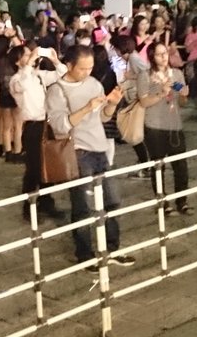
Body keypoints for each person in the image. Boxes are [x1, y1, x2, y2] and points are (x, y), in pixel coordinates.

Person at [46, 45, 135, 270]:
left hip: (99, 148)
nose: (87, 72)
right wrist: (86, 108)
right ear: (69, 65)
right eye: (82, 69)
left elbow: (103, 117)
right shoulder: (57, 90)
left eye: (90, 68)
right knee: (82, 207)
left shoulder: (94, 83)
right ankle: (85, 255)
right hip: (77, 152)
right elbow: (60, 126)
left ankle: (112, 248)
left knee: (112, 201)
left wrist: (112, 104)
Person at [135, 42, 192, 214]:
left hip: (174, 125)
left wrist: (184, 95)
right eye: (159, 54)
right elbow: (144, 101)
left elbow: (182, 102)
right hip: (154, 126)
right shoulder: (145, 76)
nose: (163, 57)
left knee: (181, 166)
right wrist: (161, 92)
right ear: (152, 56)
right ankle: (163, 201)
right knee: (158, 166)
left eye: (165, 53)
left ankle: (182, 201)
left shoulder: (177, 74)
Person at [11, 44, 63, 221]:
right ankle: (29, 207)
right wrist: (30, 62)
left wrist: (55, 60)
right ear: (17, 61)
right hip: (32, 126)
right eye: (26, 55)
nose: (31, 56)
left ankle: (47, 202)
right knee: (33, 169)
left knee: (48, 165)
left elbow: (62, 75)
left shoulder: (39, 75)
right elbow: (22, 85)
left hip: (46, 124)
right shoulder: (16, 80)